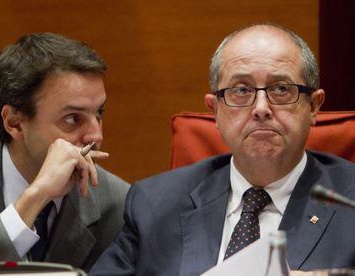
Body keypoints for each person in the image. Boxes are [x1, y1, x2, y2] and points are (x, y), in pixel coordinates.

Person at [90, 23, 355, 275]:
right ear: (215, 111)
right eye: (241, 90)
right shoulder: (154, 205)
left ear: (314, 106)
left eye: (282, 89)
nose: (261, 108)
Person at [0, 32, 129, 273]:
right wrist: (36, 196)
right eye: (73, 119)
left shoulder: (118, 204)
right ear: (15, 123)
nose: (96, 136)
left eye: (99, 114)